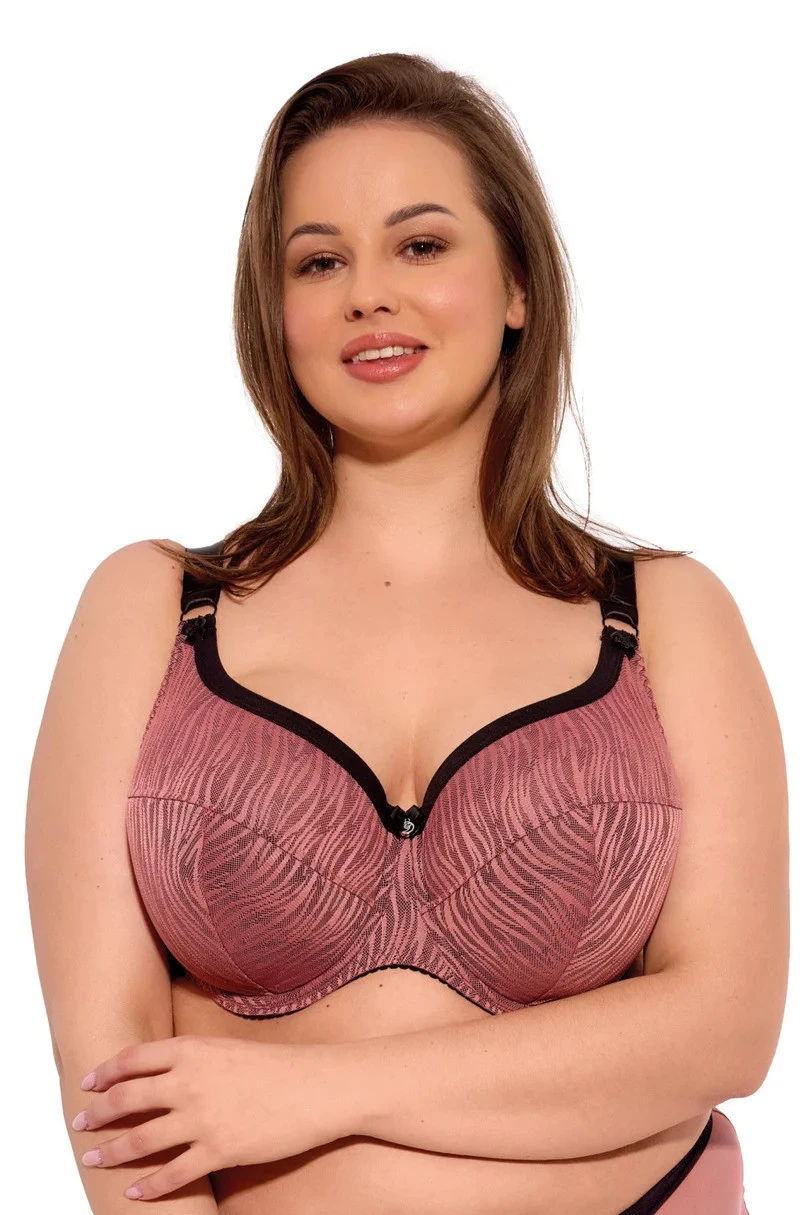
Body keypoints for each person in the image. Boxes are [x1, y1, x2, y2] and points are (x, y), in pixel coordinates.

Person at [26, 51, 787, 1214]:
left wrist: (307, 1091)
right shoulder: (151, 611)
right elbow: (113, 1082)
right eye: (319, 261)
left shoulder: (667, 618)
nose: (367, 295)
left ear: (518, 285)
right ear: (276, 312)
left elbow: (727, 1025)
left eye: (421, 245)